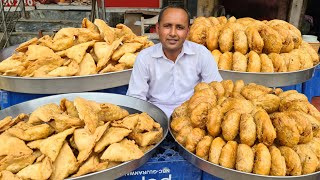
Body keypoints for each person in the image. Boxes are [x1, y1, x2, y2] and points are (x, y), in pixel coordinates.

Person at [127, 5, 222, 118]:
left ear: (188, 31)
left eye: (179, 27)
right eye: (167, 26)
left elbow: (217, 90)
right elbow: (136, 99)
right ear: (158, 28)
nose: (173, 33)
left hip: (192, 119)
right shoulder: (144, 58)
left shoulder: (201, 54)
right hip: (155, 119)